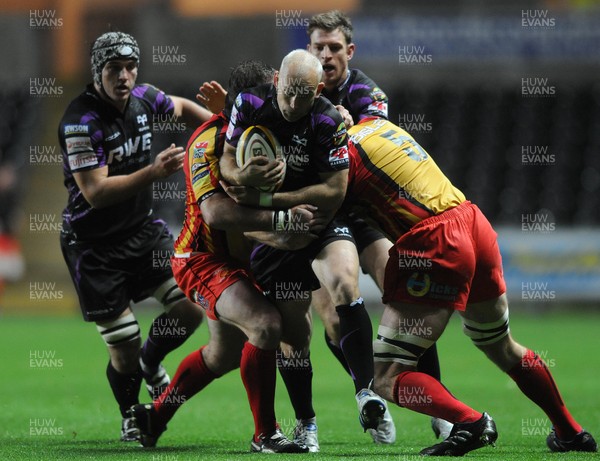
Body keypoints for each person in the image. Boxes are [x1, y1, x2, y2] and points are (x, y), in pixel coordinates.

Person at [343, 117, 597, 455]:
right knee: (500, 345)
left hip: (436, 240)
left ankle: (470, 422)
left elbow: (324, 204)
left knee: (388, 375)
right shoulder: (374, 123)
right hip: (472, 221)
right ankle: (570, 431)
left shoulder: (339, 157)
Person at [129, 60, 321, 453]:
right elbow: (216, 213)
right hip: (200, 258)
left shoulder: (270, 132)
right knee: (265, 326)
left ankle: (154, 417)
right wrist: (283, 218)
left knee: (223, 355)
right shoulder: (208, 142)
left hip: (239, 261)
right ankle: (265, 435)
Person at [219, 49, 390, 451]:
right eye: (289, 92)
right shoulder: (250, 104)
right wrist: (245, 177)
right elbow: (226, 163)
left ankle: (368, 393)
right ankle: (306, 423)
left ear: (317, 91)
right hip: (274, 231)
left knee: (345, 285)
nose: (295, 103)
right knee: (295, 337)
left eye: (304, 95)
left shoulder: (328, 118)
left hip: (318, 220)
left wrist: (284, 200)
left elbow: (335, 190)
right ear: (277, 80)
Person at [58, 31, 214, 441]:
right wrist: (153, 173)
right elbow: (94, 192)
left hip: (142, 233)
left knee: (190, 311)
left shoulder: (145, 98)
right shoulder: (80, 121)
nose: (124, 76)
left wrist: (223, 129)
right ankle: (131, 412)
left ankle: (151, 362)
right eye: (114, 69)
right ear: (98, 71)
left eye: (130, 68)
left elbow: (179, 107)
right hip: (93, 246)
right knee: (123, 344)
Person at [305, 9, 451, 442]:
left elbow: (380, 143)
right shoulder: (293, 92)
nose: (327, 55)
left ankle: (439, 406)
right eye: (319, 47)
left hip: (366, 211)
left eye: (335, 48)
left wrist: (346, 124)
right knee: (335, 305)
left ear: (349, 52)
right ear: (308, 51)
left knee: (405, 290)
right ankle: (367, 394)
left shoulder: (369, 94)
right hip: (318, 216)